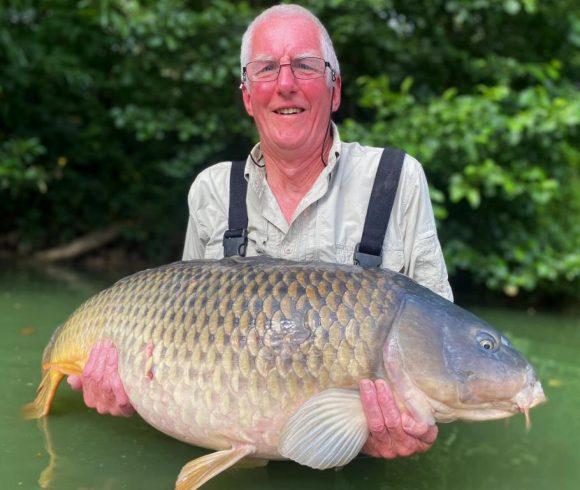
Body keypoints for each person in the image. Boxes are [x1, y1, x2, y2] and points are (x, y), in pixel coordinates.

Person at [70, 4, 451, 461]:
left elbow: (438, 340)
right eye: (266, 69)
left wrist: (410, 421)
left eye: (306, 66)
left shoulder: (396, 179)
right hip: (237, 461)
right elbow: (174, 326)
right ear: (248, 97)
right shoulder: (212, 190)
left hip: (359, 464)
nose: (285, 83)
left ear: (335, 90)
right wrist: (131, 383)